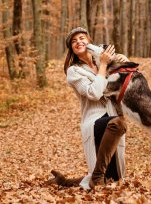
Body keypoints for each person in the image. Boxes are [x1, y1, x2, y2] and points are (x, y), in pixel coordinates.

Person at [48, 27, 128, 190]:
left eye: (82, 38)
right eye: (74, 41)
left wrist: (120, 61)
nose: (79, 42)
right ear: (72, 49)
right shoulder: (74, 71)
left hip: (112, 115)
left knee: (113, 178)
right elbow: (94, 93)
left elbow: (124, 82)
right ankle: (96, 178)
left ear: (89, 41)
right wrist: (104, 66)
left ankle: (65, 181)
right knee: (119, 124)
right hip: (95, 121)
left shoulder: (103, 60)